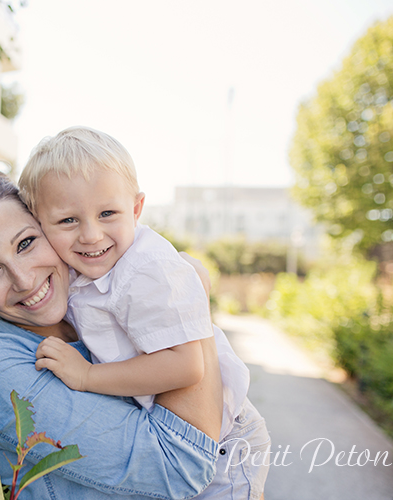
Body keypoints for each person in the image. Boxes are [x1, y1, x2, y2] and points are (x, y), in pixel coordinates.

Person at [0, 164, 226, 499]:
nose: (23, 280)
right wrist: (191, 294)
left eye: (25, 243)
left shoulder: (96, 302)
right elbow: (176, 466)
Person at [18, 126, 271, 500]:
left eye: (107, 213)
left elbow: (185, 366)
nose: (90, 234)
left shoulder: (145, 269)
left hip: (225, 445)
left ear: (135, 209)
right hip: (180, 435)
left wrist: (87, 376)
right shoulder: (87, 267)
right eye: (68, 220)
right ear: (39, 223)